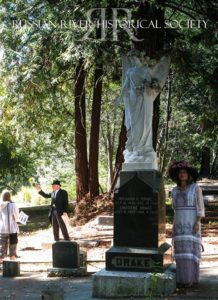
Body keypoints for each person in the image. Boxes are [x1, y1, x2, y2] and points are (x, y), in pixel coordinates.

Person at [169, 160, 205, 288]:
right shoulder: (174, 190)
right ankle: (181, 279)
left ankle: (191, 279)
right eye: (180, 173)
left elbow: (200, 207)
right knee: (180, 252)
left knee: (190, 252)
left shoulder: (196, 188)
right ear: (177, 175)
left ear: (189, 174)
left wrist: (197, 222)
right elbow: (174, 207)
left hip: (191, 223)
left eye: (184, 172)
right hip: (179, 224)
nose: (182, 174)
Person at [0, 190, 19, 264]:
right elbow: (17, 217)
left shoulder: (0, 205)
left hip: (2, 229)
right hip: (12, 230)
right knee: (12, 248)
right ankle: (12, 267)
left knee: (1, 248)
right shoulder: (13, 205)